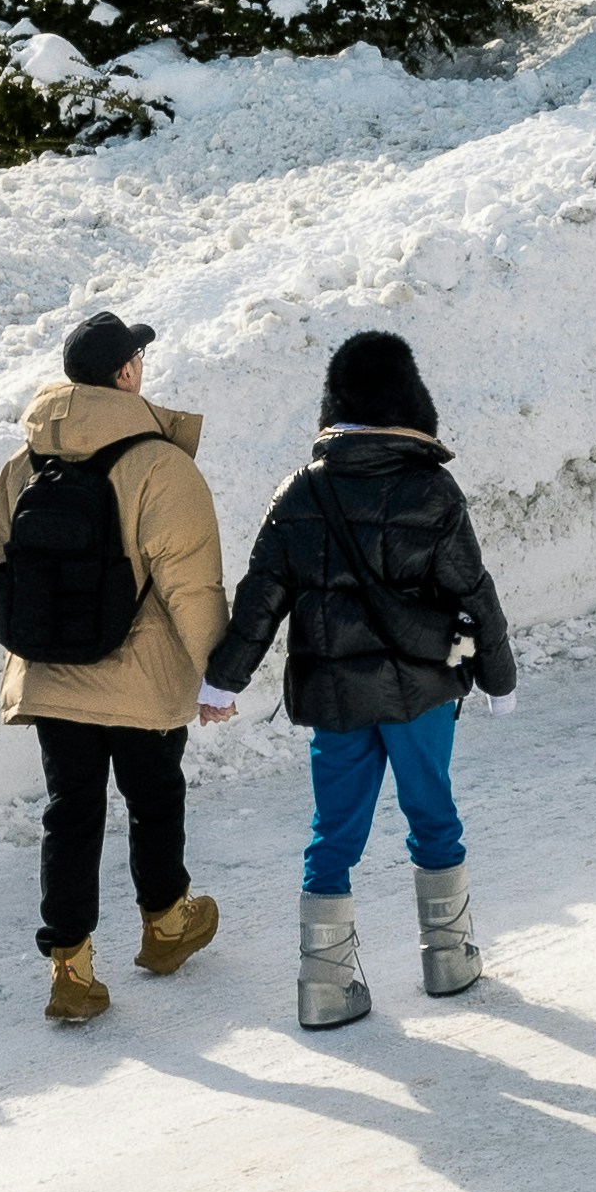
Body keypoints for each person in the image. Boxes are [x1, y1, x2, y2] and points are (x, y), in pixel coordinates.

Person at [197, 323, 514, 1032]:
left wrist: (223, 681)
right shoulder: (432, 490)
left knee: (332, 833)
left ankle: (324, 983)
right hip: (421, 694)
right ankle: (447, 956)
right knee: (432, 814)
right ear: (410, 401)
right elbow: (474, 591)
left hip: (334, 701)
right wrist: (498, 672)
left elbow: (260, 597)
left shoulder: (300, 493)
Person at [0, 304, 227, 1028]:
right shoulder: (159, 465)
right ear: (124, 373)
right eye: (137, 359)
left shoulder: (24, 463)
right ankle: (166, 923)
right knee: (153, 796)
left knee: (71, 813)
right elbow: (189, 581)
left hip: (52, 675)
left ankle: (71, 969)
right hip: (140, 674)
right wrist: (217, 672)